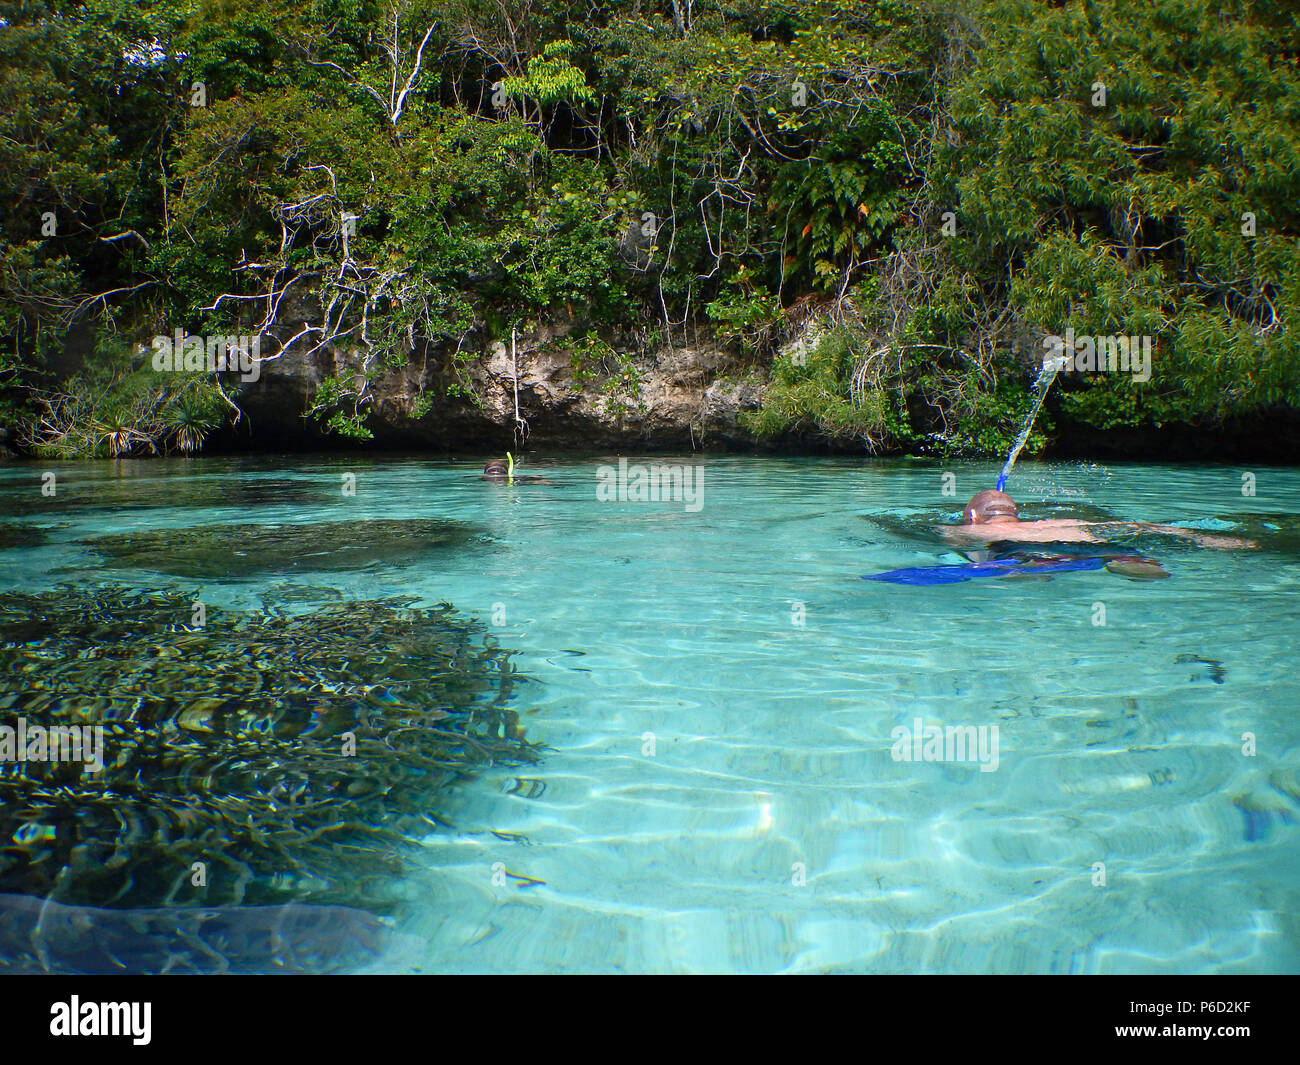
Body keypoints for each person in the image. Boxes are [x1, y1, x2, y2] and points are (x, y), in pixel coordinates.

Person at [943, 490, 1254, 551]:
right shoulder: (1055, 521)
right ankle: (1219, 541)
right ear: (1016, 512)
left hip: (1036, 553)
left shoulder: (966, 531)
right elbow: (1137, 527)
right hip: (1090, 539)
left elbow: (952, 541)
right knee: (1134, 534)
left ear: (972, 515)